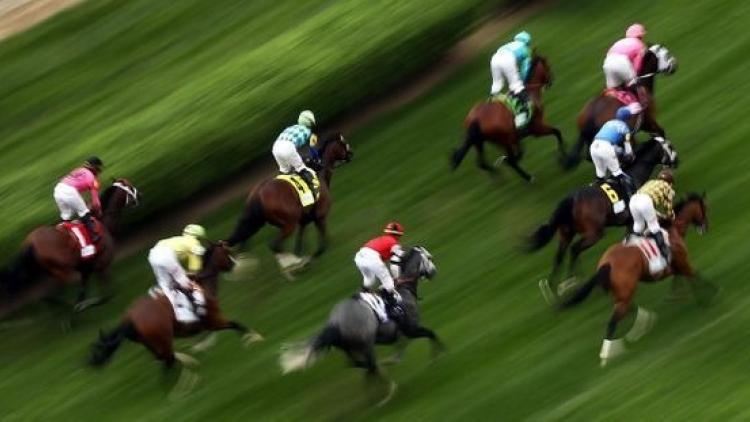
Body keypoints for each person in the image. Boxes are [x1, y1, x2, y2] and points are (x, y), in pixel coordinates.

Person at [148, 224, 208, 324]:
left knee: (167, 286)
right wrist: (191, 274)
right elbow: (197, 260)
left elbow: (191, 261)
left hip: (153, 255)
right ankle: (199, 308)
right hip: (166, 256)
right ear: (197, 237)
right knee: (187, 284)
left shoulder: (179, 239)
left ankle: (175, 311)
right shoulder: (193, 242)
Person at [354, 222, 406, 317]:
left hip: (359, 257)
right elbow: (396, 260)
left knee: (369, 280)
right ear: (397, 235)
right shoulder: (394, 243)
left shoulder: (380, 239)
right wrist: (396, 278)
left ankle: (361, 297)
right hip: (372, 257)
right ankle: (393, 309)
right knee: (388, 282)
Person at [53, 156, 104, 242]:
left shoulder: (79, 170)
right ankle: (94, 235)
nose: (98, 171)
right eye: (98, 168)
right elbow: (95, 202)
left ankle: (60, 234)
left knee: (66, 215)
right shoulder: (92, 178)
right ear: (94, 167)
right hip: (69, 191)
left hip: (58, 189)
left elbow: (73, 185)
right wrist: (99, 210)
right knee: (84, 212)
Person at [590, 107, 636, 198]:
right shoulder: (625, 128)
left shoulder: (609, 122)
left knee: (600, 176)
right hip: (605, 148)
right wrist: (629, 155)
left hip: (593, 147)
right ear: (627, 118)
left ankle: (595, 192)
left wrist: (619, 151)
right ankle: (629, 196)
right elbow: (627, 145)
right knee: (618, 174)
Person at [628, 169, 676, 259]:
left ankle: (629, 244)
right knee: (654, 226)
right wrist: (671, 217)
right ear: (670, 182)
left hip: (633, 200)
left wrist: (658, 214)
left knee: (638, 225)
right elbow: (668, 207)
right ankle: (664, 251)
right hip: (646, 201)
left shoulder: (651, 181)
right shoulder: (667, 187)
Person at [603, 23, 648, 114]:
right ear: (639, 36)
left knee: (614, 89)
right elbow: (637, 64)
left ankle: (619, 106)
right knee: (633, 83)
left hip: (607, 63)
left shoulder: (619, 42)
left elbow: (608, 54)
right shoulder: (640, 45)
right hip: (622, 61)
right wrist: (634, 75)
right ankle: (638, 107)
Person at [489, 31, 533, 125]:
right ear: (527, 42)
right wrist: (524, 81)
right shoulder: (525, 49)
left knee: (497, 84)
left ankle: (491, 101)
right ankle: (521, 116)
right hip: (507, 58)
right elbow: (526, 68)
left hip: (494, 59)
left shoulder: (508, 44)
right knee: (516, 85)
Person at [272, 110, 319, 196]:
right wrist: (316, 158)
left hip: (276, 146)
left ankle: (277, 190)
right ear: (310, 123)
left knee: (284, 171)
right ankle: (313, 191)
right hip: (288, 147)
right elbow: (312, 148)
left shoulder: (290, 127)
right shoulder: (309, 132)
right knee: (301, 168)